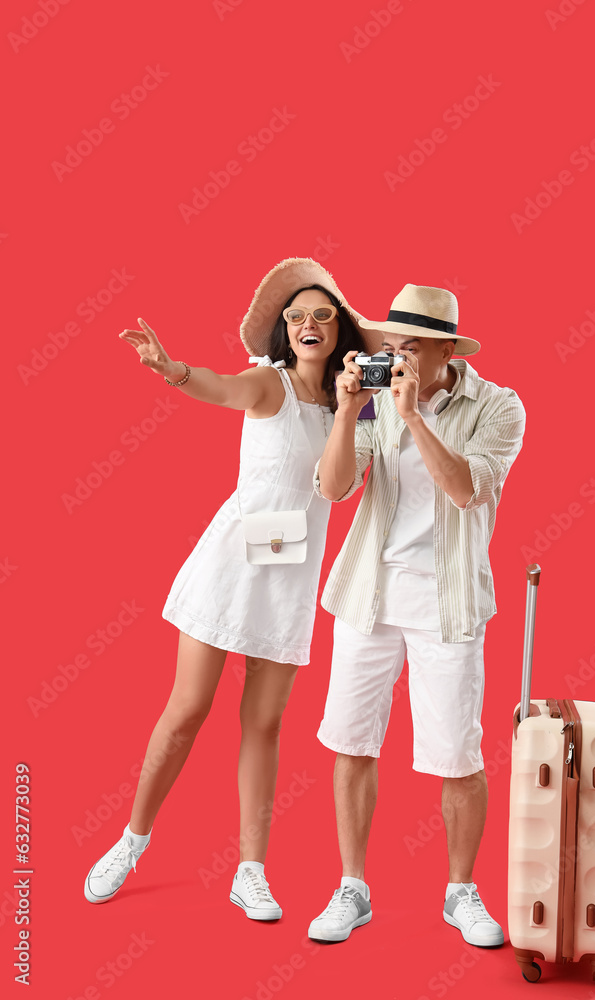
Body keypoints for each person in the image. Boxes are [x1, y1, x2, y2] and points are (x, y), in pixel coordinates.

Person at [83, 258, 378, 919]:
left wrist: (352, 406)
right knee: (187, 711)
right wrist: (172, 370)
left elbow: (338, 486)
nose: (307, 324)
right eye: (296, 316)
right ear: (284, 331)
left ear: (339, 332)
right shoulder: (267, 385)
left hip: (290, 576)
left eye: (321, 315)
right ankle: (132, 839)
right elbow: (221, 387)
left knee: (263, 725)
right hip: (233, 567)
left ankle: (250, 871)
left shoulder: (353, 411)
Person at [307, 283, 526, 945]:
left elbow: (465, 490)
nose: (394, 358)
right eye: (390, 346)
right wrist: (347, 412)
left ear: (445, 350)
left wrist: (418, 418)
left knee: (457, 754)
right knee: (349, 741)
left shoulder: (498, 406)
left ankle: (461, 892)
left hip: (448, 601)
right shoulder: (374, 401)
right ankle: (352, 887)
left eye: (408, 348)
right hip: (368, 592)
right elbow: (335, 487)